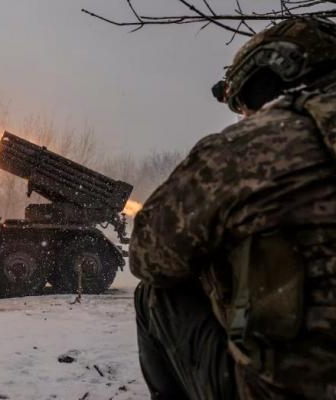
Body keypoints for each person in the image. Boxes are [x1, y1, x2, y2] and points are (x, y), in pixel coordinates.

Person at [130, 17, 336, 400]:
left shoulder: (247, 149)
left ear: (269, 81)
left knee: (155, 293)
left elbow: (148, 255)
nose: (242, 116)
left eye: (242, 104)